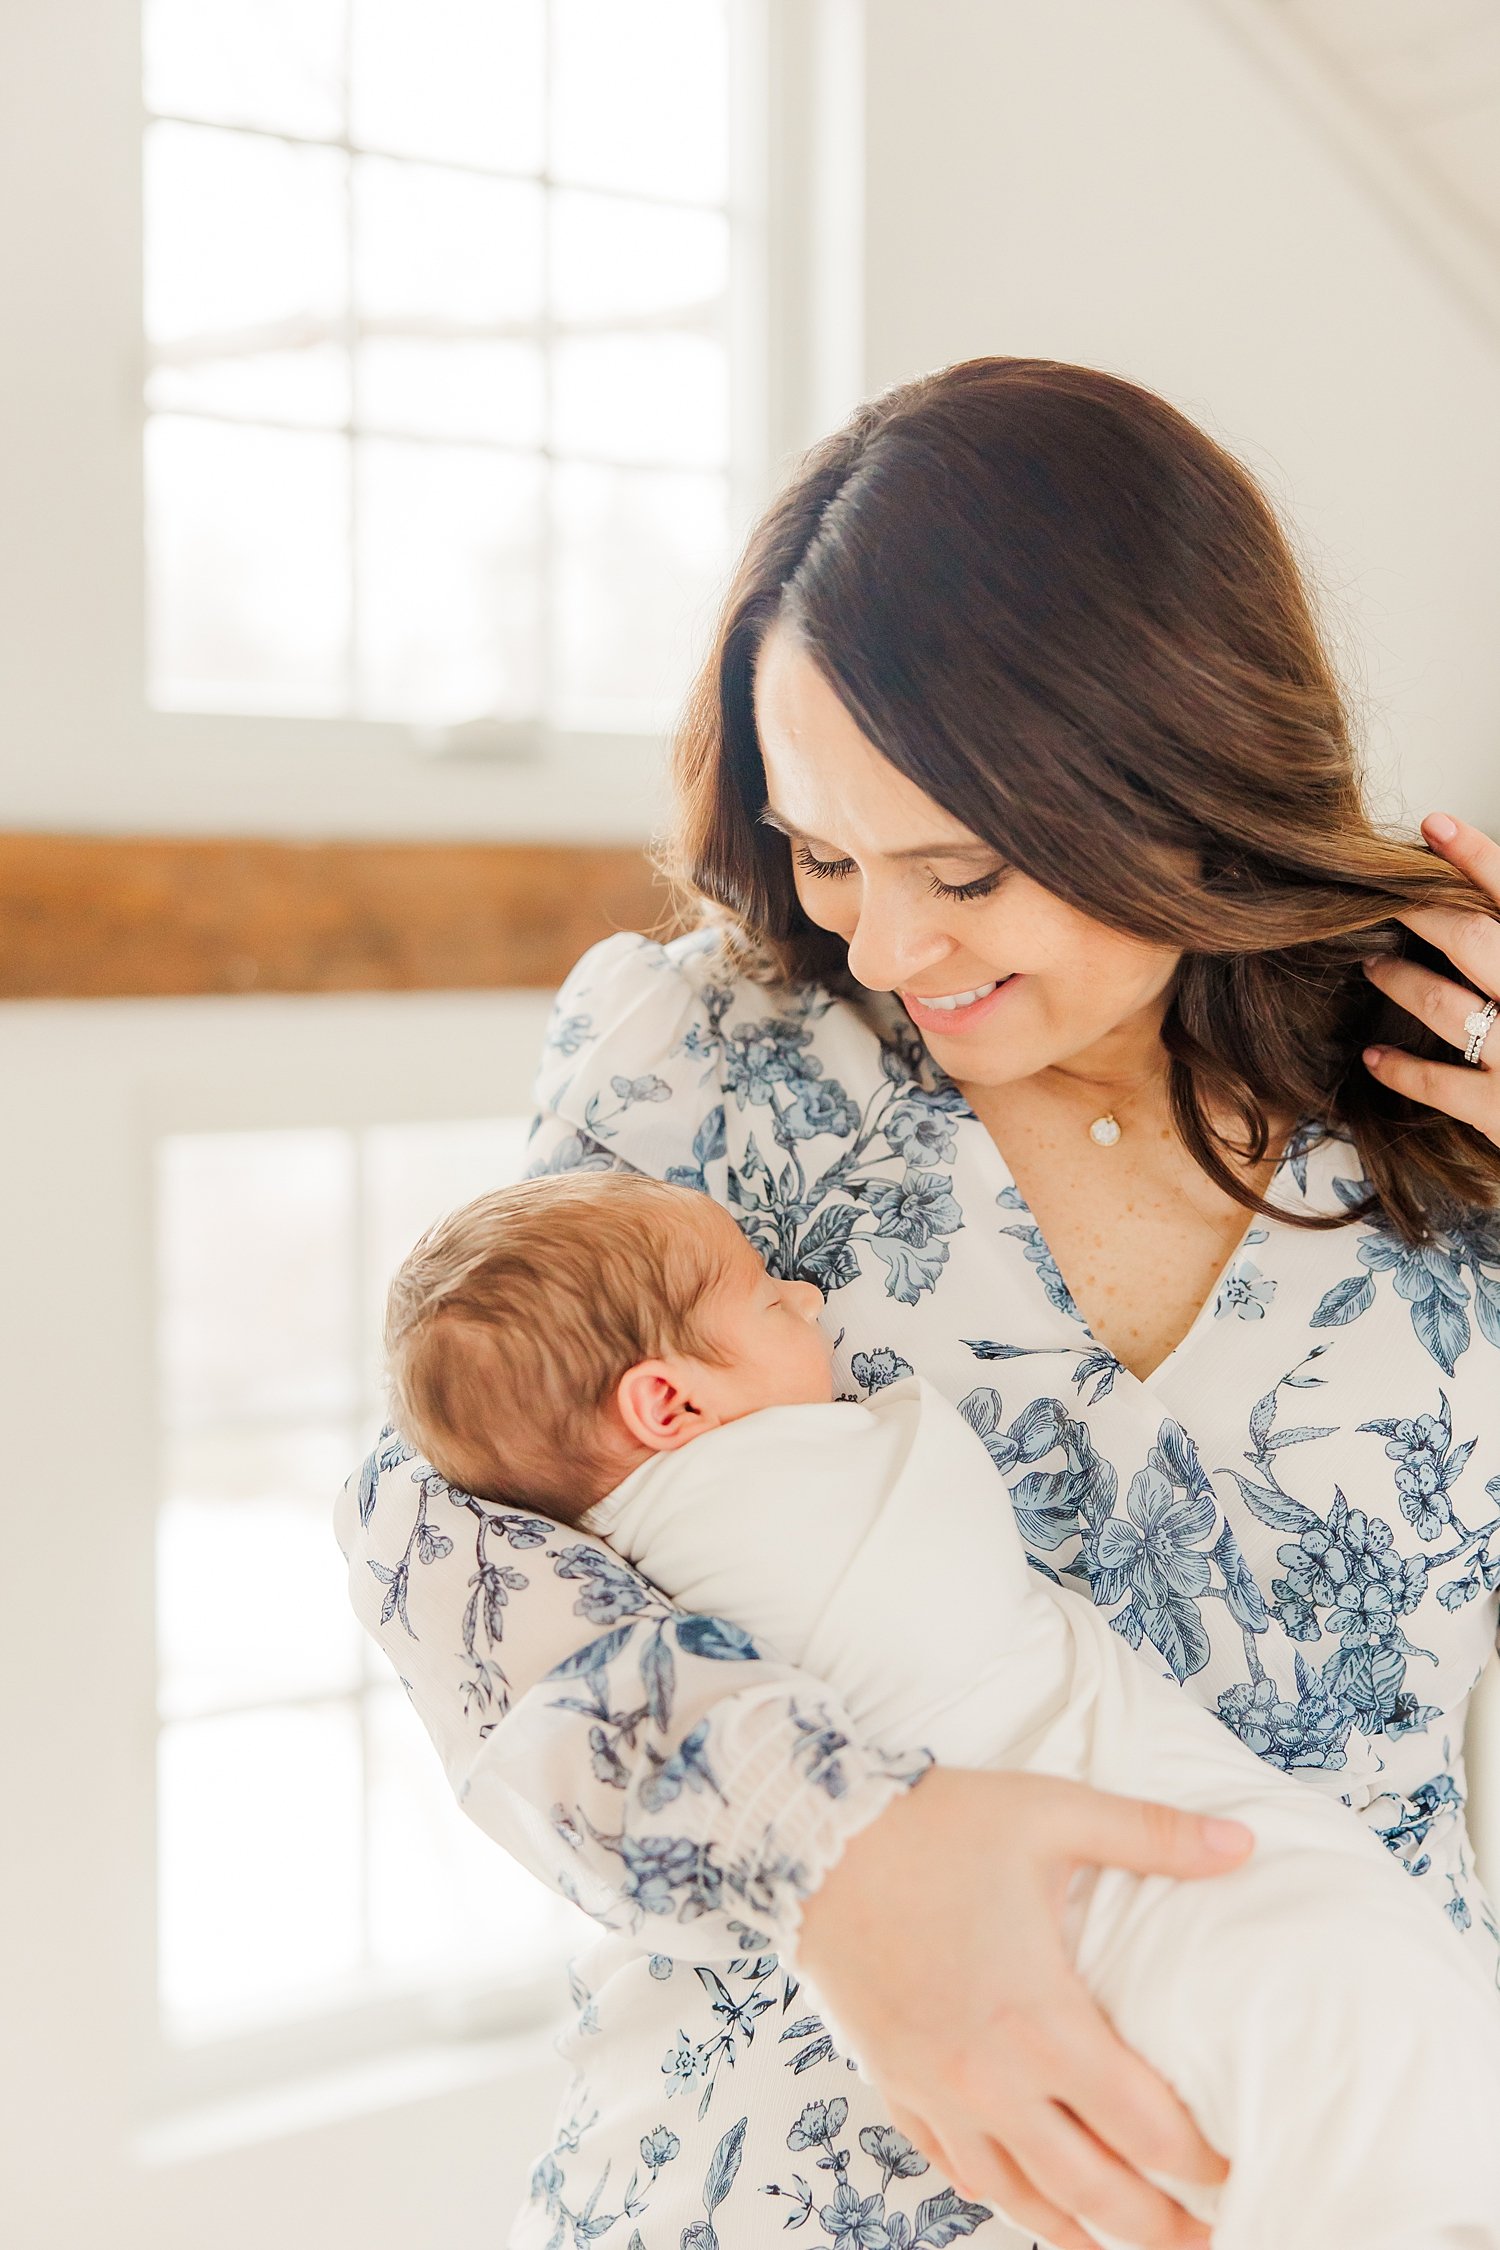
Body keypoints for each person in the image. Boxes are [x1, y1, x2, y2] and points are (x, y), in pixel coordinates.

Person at [338, 358, 1500, 2250]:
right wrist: (834, 1861)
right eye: (827, 852)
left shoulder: (1445, 1102)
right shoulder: (719, 1061)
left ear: (1185, 776)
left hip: (1346, 2164)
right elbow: (426, 1529)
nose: (886, 943)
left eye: (961, 868)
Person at [371, 1166, 1500, 2249]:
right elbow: (432, 1555)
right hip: (952, 1980)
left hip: (1223, 1879)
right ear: (669, 1402)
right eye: (772, 1297)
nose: (806, 1295)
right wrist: (830, 1836)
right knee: (1328, 2027)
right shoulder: (643, 1159)